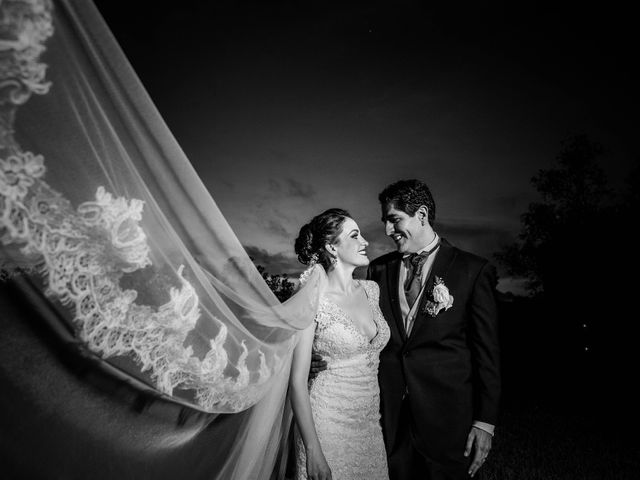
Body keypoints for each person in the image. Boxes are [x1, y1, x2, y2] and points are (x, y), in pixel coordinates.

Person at [368, 179, 501, 480]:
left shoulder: (472, 270)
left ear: (422, 215)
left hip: (449, 419)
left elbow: (487, 353)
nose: (388, 230)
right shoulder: (379, 269)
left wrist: (485, 422)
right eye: (385, 222)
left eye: (394, 219)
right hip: (390, 419)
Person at [289, 208, 390, 480]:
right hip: (326, 424)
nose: (365, 242)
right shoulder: (313, 297)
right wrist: (313, 450)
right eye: (355, 235)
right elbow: (297, 381)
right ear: (331, 247)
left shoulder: (371, 290)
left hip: (370, 425)